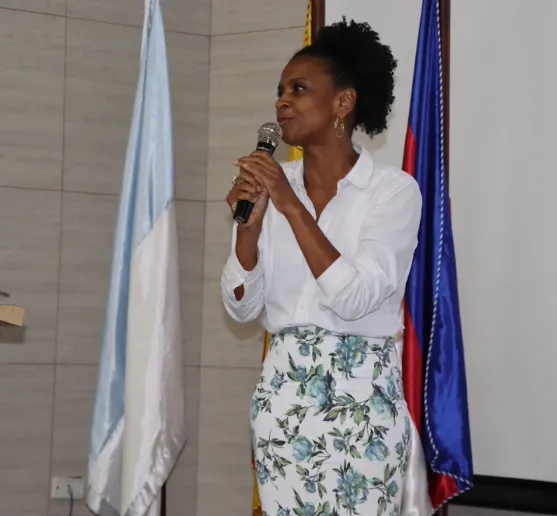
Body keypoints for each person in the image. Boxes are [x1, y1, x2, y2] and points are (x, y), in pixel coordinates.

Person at [221, 18, 422, 516]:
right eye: (279, 91)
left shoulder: (392, 192)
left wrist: (291, 206)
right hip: (283, 402)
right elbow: (241, 308)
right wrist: (248, 228)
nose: (281, 102)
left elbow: (354, 299)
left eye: (298, 89)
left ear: (343, 103)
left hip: (363, 406)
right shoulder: (273, 186)